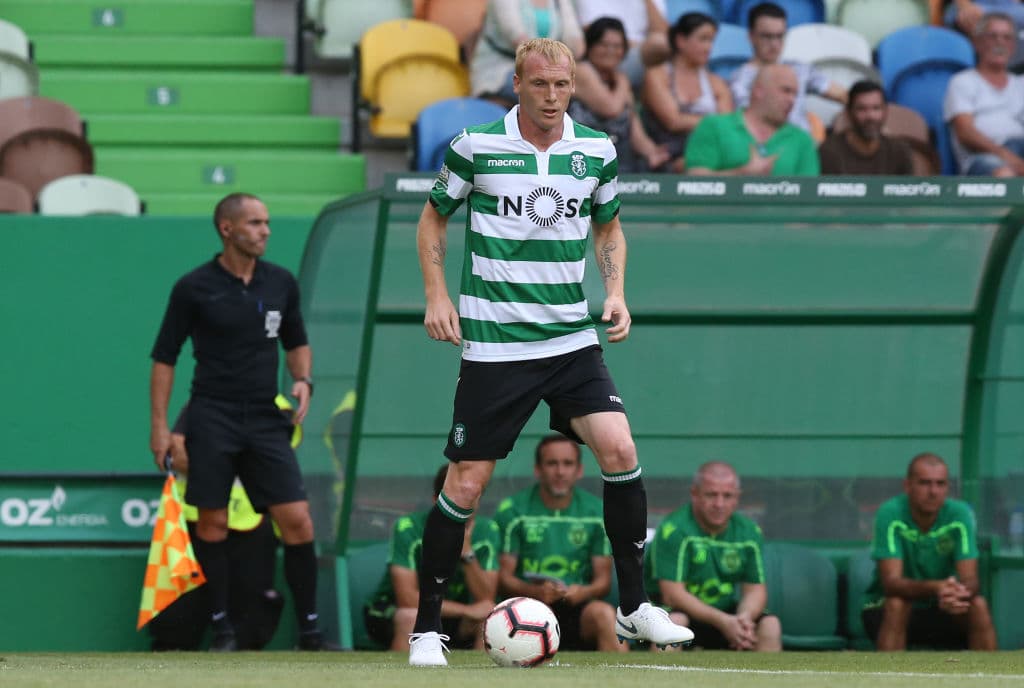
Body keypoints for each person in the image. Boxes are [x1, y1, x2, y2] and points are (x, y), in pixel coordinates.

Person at [409, 37, 694, 667]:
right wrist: (437, 296)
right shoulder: (475, 145)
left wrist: (616, 292)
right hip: (496, 344)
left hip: (570, 338)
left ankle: (634, 606)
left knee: (620, 450)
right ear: (516, 84)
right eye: (539, 85)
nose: (552, 96)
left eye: (562, 86)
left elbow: (609, 226)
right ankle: (427, 630)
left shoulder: (596, 150)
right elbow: (432, 219)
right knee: (468, 484)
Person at [149, 192, 329, 652]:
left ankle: (310, 631)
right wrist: (161, 426)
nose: (265, 231)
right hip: (212, 414)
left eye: (267, 222)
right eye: (254, 223)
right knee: (211, 524)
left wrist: (303, 378)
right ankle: (223, 629)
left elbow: (297, 341)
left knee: (299, 521)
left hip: (265, 417)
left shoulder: (280, 283)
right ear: (227, 229)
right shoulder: (193, 287)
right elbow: (164, 358)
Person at [148, 399, 297, 651]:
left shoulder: (278, 407)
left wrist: (215, 461)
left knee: (249, 624)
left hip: (251, 523)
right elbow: (177, 453)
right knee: (177, 621)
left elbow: (270, 457)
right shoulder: (201, 403)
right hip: (195, 520)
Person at [493, 434, 627, 652]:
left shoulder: (596, 513)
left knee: (604, 614)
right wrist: (535, 591)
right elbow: (503, 578)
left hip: (577, 608)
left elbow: (603, 582)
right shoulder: (513, 511)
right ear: (538, 469)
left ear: (579, 470)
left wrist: (580, 592)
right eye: (552, 463)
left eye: (568, 464)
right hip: (525, 609)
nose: (560, 471)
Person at [861, 453, 998, 650]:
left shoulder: (959, 514)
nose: (933, 491)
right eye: (924, 483)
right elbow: (891, 584)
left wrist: (957, 593)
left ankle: (992, 679)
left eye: (940, 484)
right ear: (907, 486)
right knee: (897, 603)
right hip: (885, 611)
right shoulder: (890, 513)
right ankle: (887, 679)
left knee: (978, 605)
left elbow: (971, 580)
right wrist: (937, 587)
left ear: (947, 488)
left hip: (944, 607)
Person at [646, 462, 782, 652]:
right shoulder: (673, 530)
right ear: (694, 494)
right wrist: (723, 621)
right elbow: (672, 595)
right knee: (675, 624)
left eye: (727, 496)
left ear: (737, 498)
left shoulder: (749, 532)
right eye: (711, 495)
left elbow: (756, 591)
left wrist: (743, 619)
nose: (719, 504)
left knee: (770, 625)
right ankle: (655, 682)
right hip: (682, 613)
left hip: (726, 616)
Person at [364, 465, 500, 651]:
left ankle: (487, 680)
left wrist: (467, 554)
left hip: (453, 617)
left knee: (490, 620)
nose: (465, 502)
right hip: (396, 611)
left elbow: (485, 599)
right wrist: (466, 610)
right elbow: (408, 599)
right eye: (458, 494)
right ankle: (400, 679)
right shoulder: (409, 527)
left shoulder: (488, 530)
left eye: (471, 494)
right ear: (437, 500)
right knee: (410, 618)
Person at [729, 2, 846, 138]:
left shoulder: (799, 69)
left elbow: (843, 95)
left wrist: (846, 116)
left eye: (780, 36)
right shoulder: (740, 81)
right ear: (751, 36)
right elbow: (748, 126)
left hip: (806, 150)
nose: (774, 44)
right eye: (767, 36)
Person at [569, 16, 670, 172]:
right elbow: (611, 108)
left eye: (617, 46)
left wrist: (652, 151)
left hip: (618, 155)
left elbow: (631, 123)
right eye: (603, 44)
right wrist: (622, 81)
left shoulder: (617, 79)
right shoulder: (582, 70)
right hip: (581, 157)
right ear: (590, 45)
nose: (611, 51)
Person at [685, 63, 820, 175]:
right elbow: (694, 182)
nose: (792, 100)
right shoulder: (713, 126)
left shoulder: (803, 140)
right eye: (785, 91)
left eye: (795, 94)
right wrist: (740, 174)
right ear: (759, 91)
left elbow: (809, 198)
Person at [641, 12, 734, 172]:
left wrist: (693, 121)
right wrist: (712, 122)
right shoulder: (657, 75)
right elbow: (673, 121)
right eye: (703, 39)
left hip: (709, 155)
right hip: (667, 158)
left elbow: (727, 125)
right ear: (681, 40)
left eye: (711, 40)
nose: (709, 47)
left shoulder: (716, 83)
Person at [944, 12, 1024, 177]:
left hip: (1020, 150)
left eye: (1007, 37)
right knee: (1005, 174)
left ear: (1014, 46)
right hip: (983, 158)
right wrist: (1008, 157)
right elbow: (965, 132)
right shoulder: (962, 81)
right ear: (976, 42)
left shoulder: (1020, 84)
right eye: (992, 36)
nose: (1000, 42)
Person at [471, 0, 584, 107]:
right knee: (569, 84)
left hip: (548, 65)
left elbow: (577, 47)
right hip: (500, 69)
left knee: (582, 75)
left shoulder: (561, 2)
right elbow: (518, 39)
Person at [818, 80, 915, 175]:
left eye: (876, 108)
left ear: (886, 111)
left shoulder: (899, 151)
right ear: (848, 113)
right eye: (861, 109)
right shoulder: (829, 152)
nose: (870, 116)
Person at [573, 0, 670, 88]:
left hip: (628, 54)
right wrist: (618, 45)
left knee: (658, 66)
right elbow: (593, 34)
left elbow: (667, 37)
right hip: (605, 57)